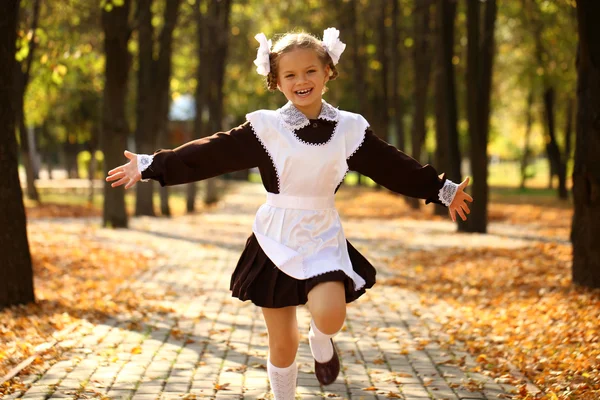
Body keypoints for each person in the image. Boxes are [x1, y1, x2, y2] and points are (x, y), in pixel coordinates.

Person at [105, 27, 473, 400]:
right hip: (275, 238)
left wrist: (441, 190)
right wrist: (152, 165)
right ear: (276, 81)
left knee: (331, 314)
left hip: (322, 234)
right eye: (290, 74)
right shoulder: (266, 128)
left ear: (328, 71)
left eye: (310, 71)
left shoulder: (350, 129)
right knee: (283, 343)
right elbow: (210, 153)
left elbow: (392, 166)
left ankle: (321, 336)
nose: (301, 81)